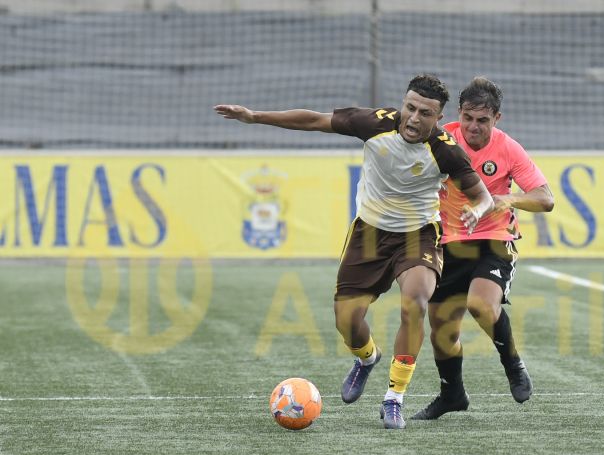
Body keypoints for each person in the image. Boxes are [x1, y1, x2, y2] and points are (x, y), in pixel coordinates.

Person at [215, 74, 493, 429]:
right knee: (346, 321)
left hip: (418, 235)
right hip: (369, 234)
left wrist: (477, 211)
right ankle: (367, 358)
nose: (413, 118)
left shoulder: (446, 150)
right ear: (403, 104)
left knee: (416, 301)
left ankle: (394, 398)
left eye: (425, 113)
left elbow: (482, 196)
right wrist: (255, 116)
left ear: (438, 118)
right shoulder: (374, 124)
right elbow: (314, 120)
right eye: (410, 108)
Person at [412, 76, 555, 421]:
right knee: (442, 329)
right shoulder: (441, 138)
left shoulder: (508, 148)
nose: (473, 127)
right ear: (459, 114)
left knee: (480, 304)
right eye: (467, 118)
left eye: (483, 120)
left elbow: (545, 199)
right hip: (447, 242)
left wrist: (506, 199)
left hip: (494, 239)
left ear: (497, 119)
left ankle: (513, 363)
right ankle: (452, 395)